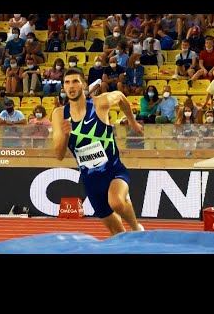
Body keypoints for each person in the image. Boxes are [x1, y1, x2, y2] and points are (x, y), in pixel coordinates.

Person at [52, 69, 145, 236]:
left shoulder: (100, 103)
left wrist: (133, 122)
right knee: (116, 233)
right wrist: (65, 135)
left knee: (116, 202)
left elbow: (121, 97)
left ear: (84, 85)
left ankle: (137, 228)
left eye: (75, 81)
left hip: (113, 170)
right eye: (67, 83)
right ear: (63, 88)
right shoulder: (60, 115)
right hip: (90, 180)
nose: (71, 86)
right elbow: (58, 155)